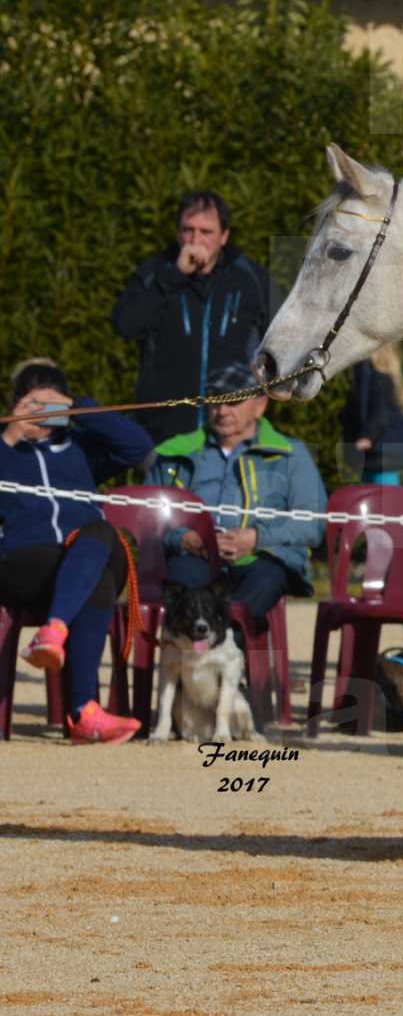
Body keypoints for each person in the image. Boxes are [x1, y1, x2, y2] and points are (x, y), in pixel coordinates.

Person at [0, 361, 153, 743]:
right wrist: (10, 435)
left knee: (100, 533)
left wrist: (74, 405)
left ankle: (53, 630)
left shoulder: (82, 450)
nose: (40, 412)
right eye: (31, 401)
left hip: (90, 549)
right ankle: (84, 713)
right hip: (25, 565)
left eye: (47, 402)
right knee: (95, 581)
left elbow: (138, 445)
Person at [146, 363, 327, 623]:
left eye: (234, 403)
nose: (222, 412)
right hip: (195, 556)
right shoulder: (176, 454)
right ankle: (201, 652)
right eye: (216, 402)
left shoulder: (292, 455)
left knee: (266, 579)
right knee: (183, 583)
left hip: (263, 558)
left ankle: (230, 647)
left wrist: (256, 538)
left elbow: (312, 523)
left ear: (260, 405)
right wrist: (187, 540)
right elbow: (146, 517)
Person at [111, 191, 281, 446]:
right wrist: (174, 276)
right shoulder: (155, 273)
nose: (195, 239)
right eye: (188, 230)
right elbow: (126, 325)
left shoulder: (251, 279)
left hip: (231, 432)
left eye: (206, 232)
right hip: (165, 431)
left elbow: (280, 341)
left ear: (224, 236)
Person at [339, 342, 403, 486]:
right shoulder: (374, 378)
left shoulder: (377, 379)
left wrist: (367, 436)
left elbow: (381, 413)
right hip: (379, 457)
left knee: (383, 500)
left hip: (383, 457)